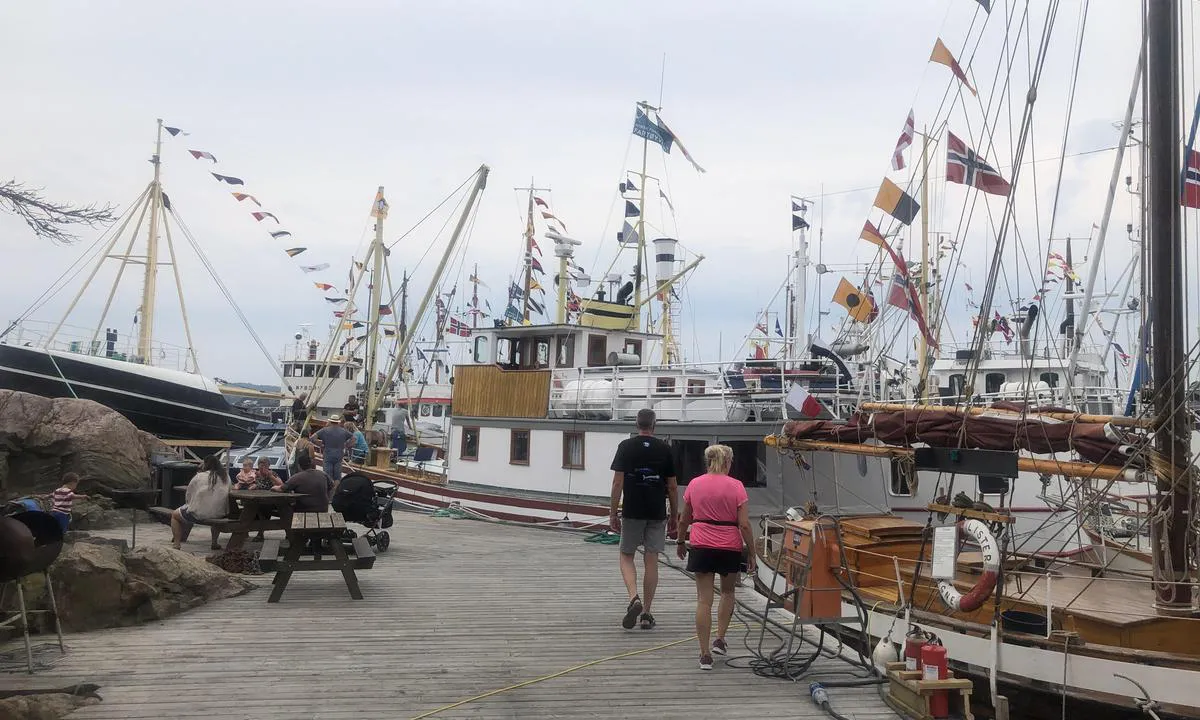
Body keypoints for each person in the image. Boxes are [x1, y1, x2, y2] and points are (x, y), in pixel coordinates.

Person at [676, 444, 756, 671]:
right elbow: (744, 524)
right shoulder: (737, 486)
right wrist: (751, 552)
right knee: (728, 592)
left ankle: (704, 654)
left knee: (703, 599)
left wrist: (681, 542)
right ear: (728, 462)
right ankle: (720, 638)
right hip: (729, 545)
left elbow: (684, 519)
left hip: (701, 543)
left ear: (708, 462)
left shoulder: (694, 484)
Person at [609, 408, 678, 631]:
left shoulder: (625, 447)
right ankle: (647, 613)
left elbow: (617, 483)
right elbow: (673, 487)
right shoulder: (665, 449)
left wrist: (612, 512)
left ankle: (633, 597)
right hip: (656, 511)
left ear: (637, 425)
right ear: (654, 425)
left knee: (626, 555)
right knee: (651, 560)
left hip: (632, 510)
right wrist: (674, 515)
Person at [171, 455, 230, 550]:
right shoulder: (225, 477)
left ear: (206, 464)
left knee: (174, 515)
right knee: (214, 511)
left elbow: (189, 495)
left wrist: (190, 504)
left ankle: (177, 544)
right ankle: (214, 543)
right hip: (220, 513)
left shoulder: (199, 477)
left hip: (199, 514)